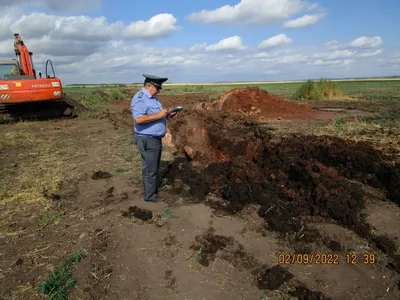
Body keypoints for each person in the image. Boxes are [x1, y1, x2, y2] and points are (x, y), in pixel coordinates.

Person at [130, 74, 176, 203]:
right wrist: (159, 114)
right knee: (150, 169)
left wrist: (167, 114)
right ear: (148, 85)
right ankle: (150, 197)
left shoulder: (153, 98)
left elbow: (156, 115)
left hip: (154, 139)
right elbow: (138, 119)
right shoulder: (140, 98)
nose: (159, 90)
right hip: (147, 139)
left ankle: (152, 190)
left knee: (153, 167)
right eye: (157, 87)